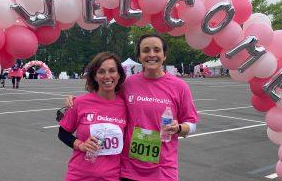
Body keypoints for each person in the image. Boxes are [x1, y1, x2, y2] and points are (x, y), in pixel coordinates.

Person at [65, 34, 199, 181]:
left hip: (162, 169)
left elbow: (192, 124)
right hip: (129, 169)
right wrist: (77, 100)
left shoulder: (180, 87)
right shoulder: (128, 84)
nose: (151, 55)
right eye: (146, 50)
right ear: (139, 56)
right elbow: (104, 97)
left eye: (157, 50)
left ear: (164, 55)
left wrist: (179, 128)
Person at [58, 52, 127, 181]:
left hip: (112, 176)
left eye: (112, 71)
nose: (107, 76)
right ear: (95, 76)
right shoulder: (80, 103)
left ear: (119, 75)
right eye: (101, 72)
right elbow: (62, 133)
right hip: (79, 175)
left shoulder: (126, 106)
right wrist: (80, 145)